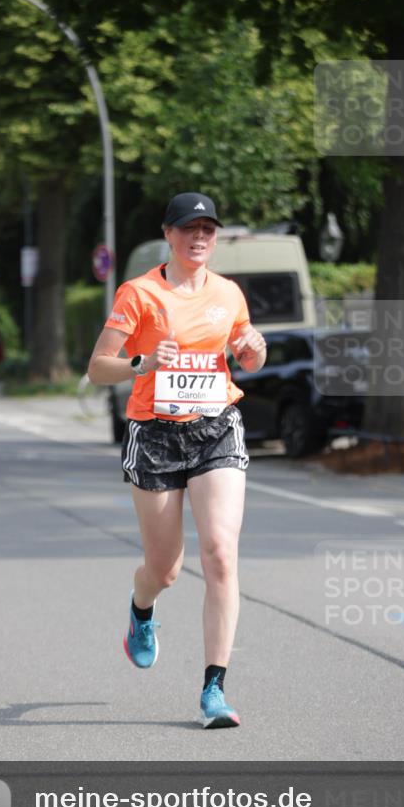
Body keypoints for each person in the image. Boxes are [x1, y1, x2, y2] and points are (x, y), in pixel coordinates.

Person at [88, 192, 267, 728]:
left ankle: (214, 689)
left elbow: (246, 353)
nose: (199, 237)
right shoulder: (139, 293)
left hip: (216, 429)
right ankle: (141, 610)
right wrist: (141, 362)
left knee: (219, 554)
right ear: (168, 234)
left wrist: (254, 350)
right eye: (189, 228)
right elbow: (99, 367)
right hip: (155, 434)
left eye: (208, 229)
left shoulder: (229, 293)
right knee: (164, 569)